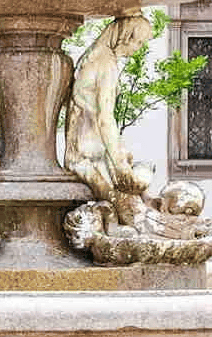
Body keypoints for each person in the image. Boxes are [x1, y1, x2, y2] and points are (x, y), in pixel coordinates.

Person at [64, 14, 154, 233]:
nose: (138, 49)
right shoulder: (106, 63)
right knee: (133, 213)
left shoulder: (92, 56)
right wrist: (119, 164)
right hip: (90, 158)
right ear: (126, 36)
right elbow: (104, 119)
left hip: (86, 153)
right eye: (139, 42)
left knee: (139, 195)